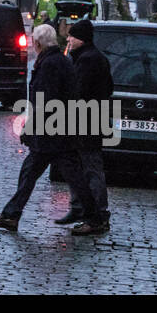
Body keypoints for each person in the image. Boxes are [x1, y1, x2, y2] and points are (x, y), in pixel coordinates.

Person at [0, 24, 101, 235]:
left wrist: (31, 127)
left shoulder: (50, 64)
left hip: (52, 133)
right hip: (57, 131)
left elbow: (45, 101)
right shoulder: (58, 61)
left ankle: (95, 218)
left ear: (37, 43)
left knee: (64, 176)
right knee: (37, 174)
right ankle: (12, 214)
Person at [53, 17, 113, 230]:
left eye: (72, 35)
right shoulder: (86, 57)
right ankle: (81, 208)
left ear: (82, 39)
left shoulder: (88, 60)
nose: (68, 38)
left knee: (89, 168)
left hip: (86, 123)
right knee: (78, 167)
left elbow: (78, 92)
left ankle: (97, 214)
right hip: (88, 121)